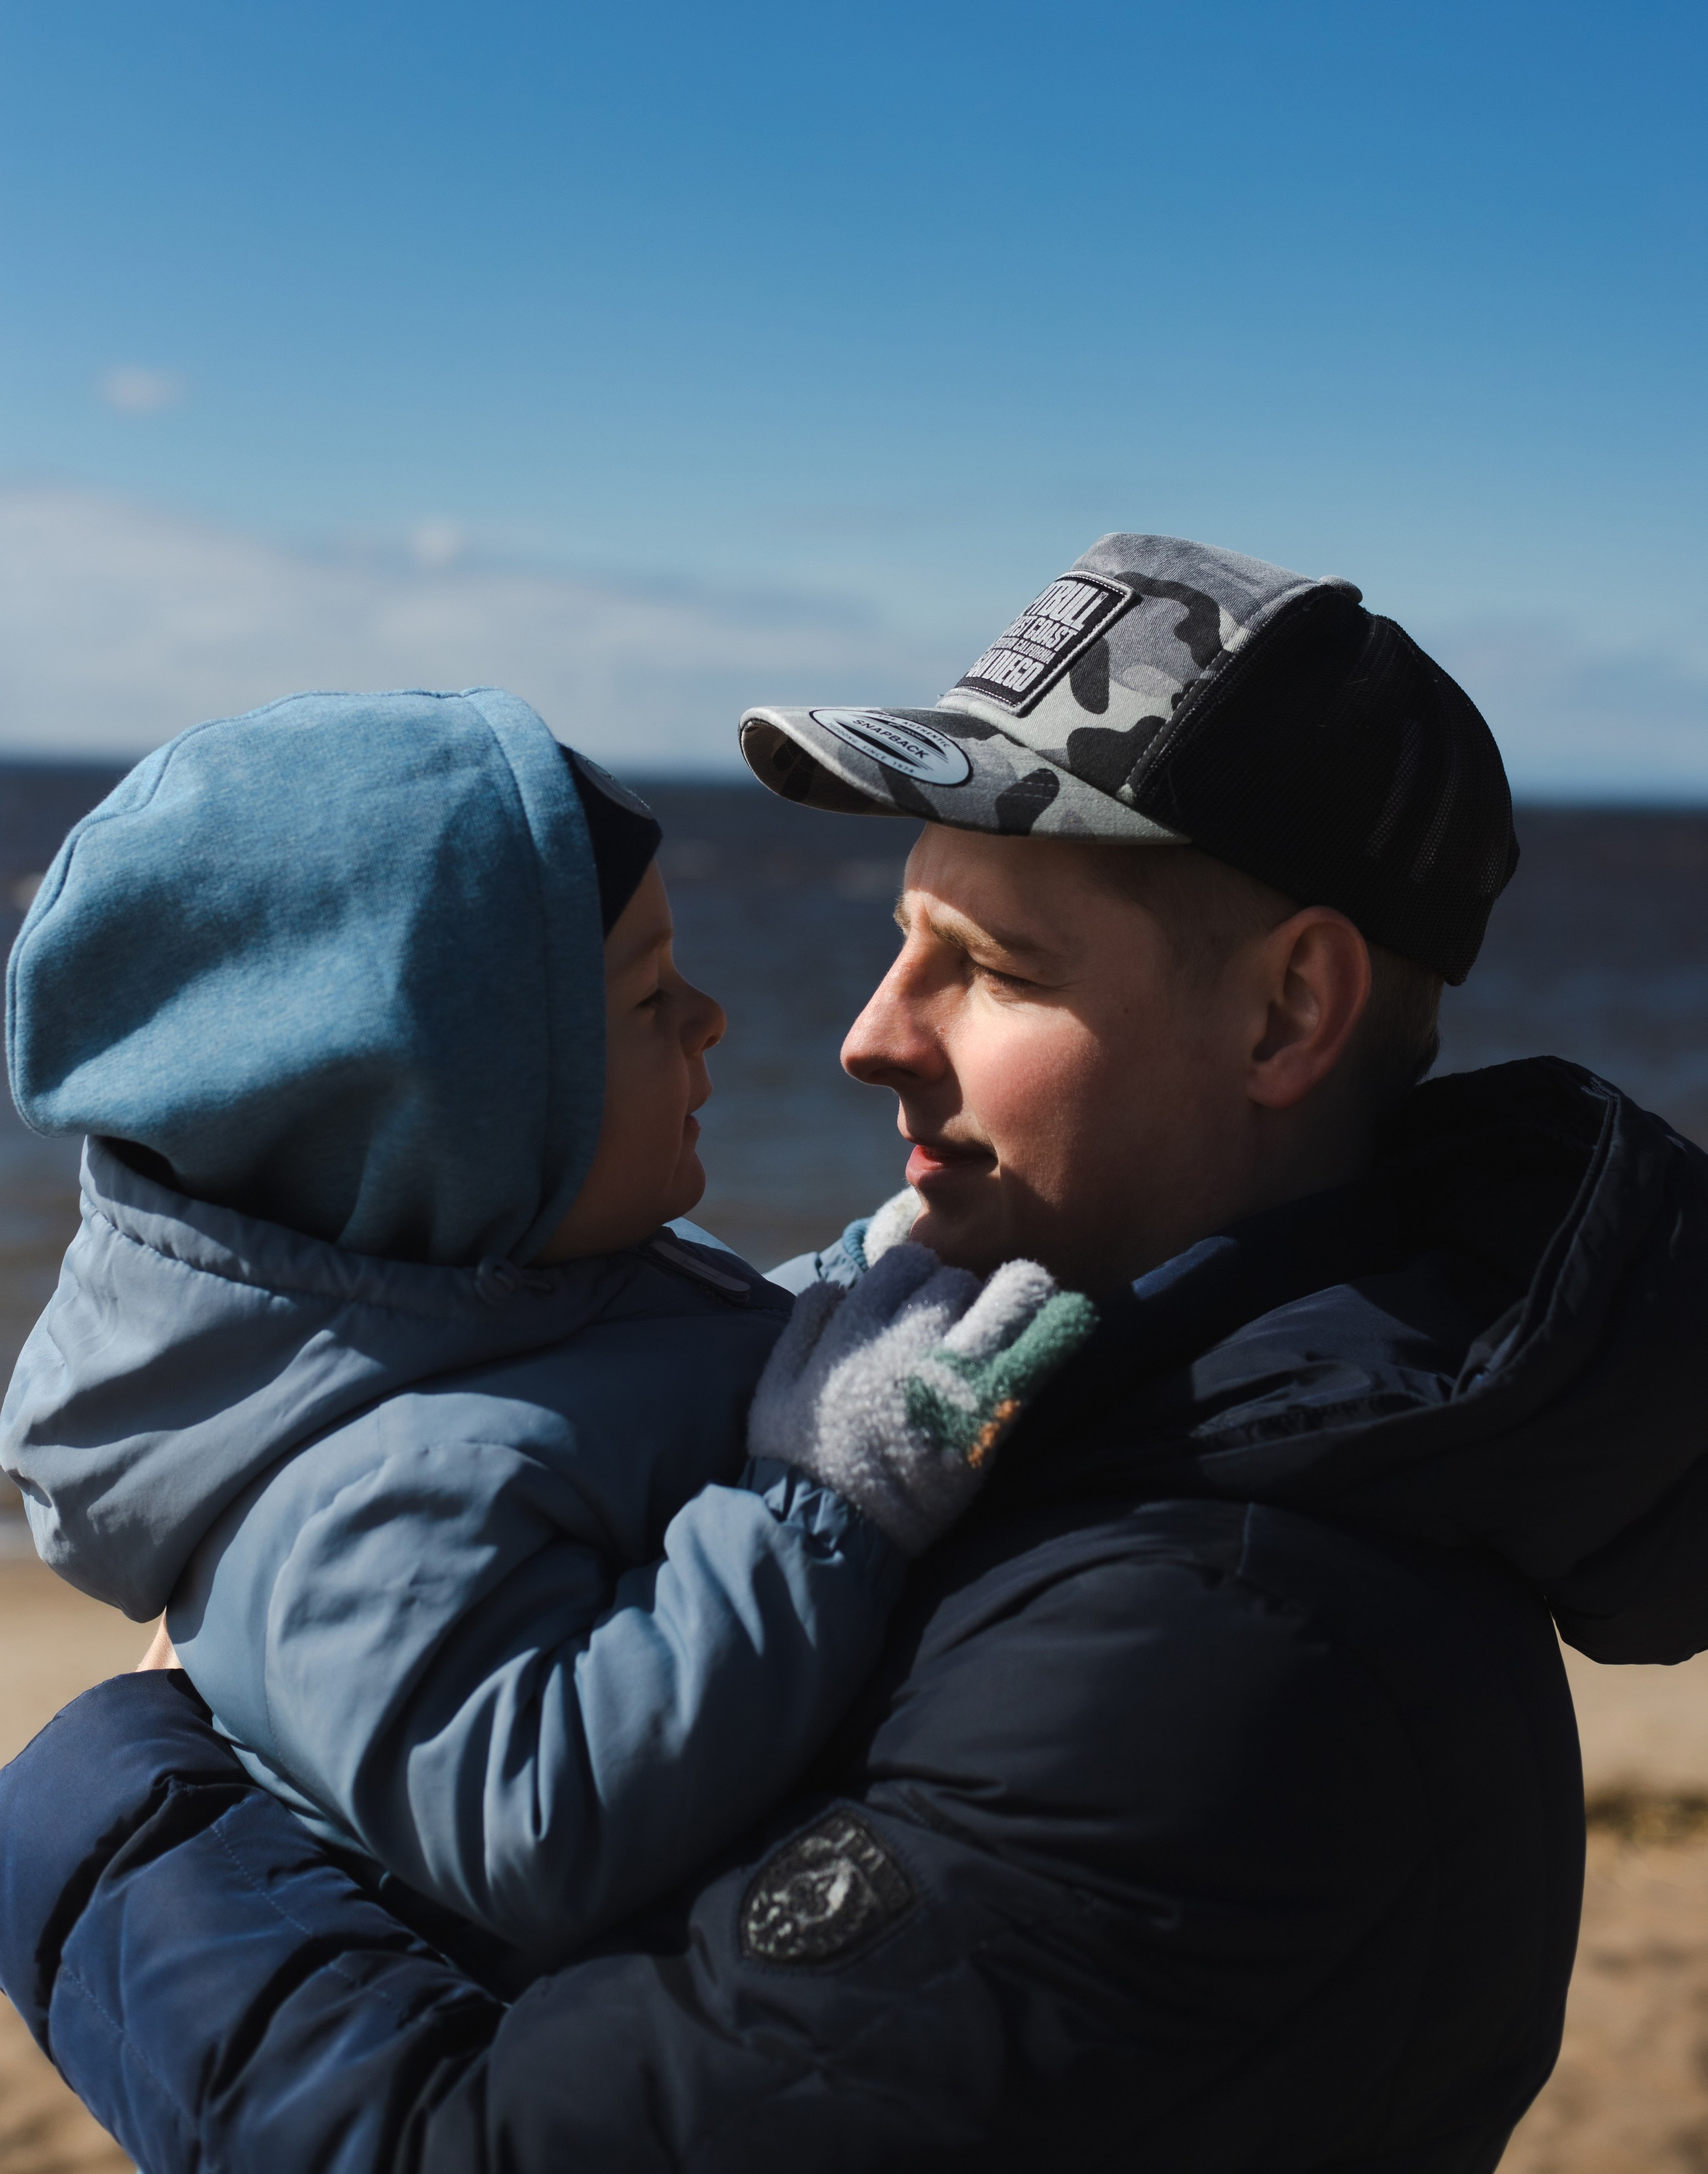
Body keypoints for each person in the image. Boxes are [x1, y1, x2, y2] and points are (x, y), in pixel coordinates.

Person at [6, 533, 1708, 2174]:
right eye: (899, 940)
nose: (862, 1038)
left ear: (1282, 1014)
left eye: (981, 969)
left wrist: (118, 1790)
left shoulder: (1213, 1652)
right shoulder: (1123, 1400)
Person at [0, 684, 1085, 1970]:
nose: (713, 1017)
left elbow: (671, 1371)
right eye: (644, 998)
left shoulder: (514, 1294)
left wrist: (854, 1276)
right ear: (450, 1124)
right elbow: (537, 1817)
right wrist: (826, 1496)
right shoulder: (363, 1501)